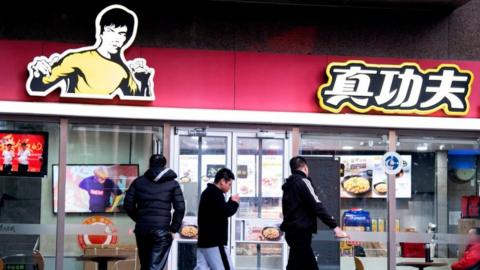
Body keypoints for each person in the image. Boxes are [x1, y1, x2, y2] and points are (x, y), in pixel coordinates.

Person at [27, 5, 153, 98]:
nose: (116, 38)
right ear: (101, 32)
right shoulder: (77, 59)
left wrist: (144, 80)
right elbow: (38, 87)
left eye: (121, 33)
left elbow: (139, 100)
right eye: (110, 31)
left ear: (126, 38)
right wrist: (38, 73)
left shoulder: (124, 71)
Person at [281, 156, 349, 270]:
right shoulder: (303, 181)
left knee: (294, 265)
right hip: (301, 233)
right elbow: (317, 206)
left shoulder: (288, 185)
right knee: (310, 265)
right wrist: (335, 227)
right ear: (305, 168)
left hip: (291, 233)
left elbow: (289, 209)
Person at [124, 154, 185, 270]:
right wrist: (174, 228)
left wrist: (140, 219)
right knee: (154, 267)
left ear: (150, 164)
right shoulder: (173, 184)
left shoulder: (138, 182)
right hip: (162, 230)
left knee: (146, 266)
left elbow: (127, 205)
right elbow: (180, 208)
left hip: (142, 230)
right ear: (164, 165)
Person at [195, 168, 240, 270]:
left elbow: (218, 212)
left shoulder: (207, 192)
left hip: (204, 242)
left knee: (202, 268)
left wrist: (229, 202)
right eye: (229, 184)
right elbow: (225, 212)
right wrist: (234, 202)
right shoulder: (215, 194)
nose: (229, 188)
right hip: (215, 242)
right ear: (222, 181)